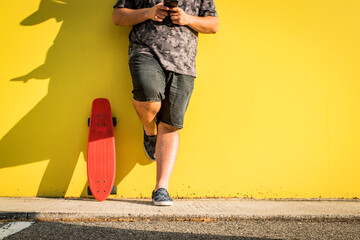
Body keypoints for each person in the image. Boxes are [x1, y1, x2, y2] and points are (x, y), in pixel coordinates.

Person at [112, 0, 219, 206]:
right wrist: (149, 12)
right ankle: (149, 130)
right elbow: (118, 17)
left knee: (171, 124)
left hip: (183, 62)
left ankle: (161, 188)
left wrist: (187, 18)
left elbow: (213, 24)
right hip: (145, 51)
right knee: (149, 98)